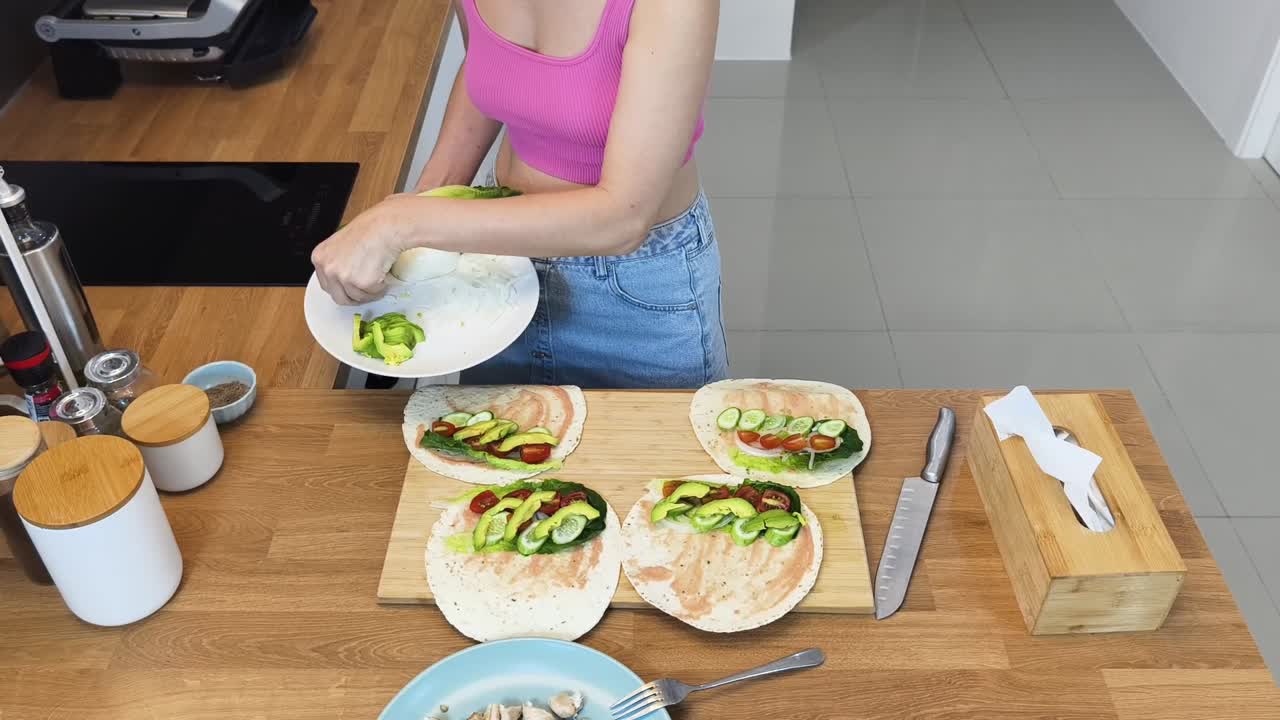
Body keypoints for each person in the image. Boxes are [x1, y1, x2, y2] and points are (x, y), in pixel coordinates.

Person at [311, 0, 727, 389]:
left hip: (633, 289)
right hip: (498, 262)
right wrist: (426, 207)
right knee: (494, 460)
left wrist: (401, 222)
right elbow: (490, 66)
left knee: (645, 465)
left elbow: (623, 220)